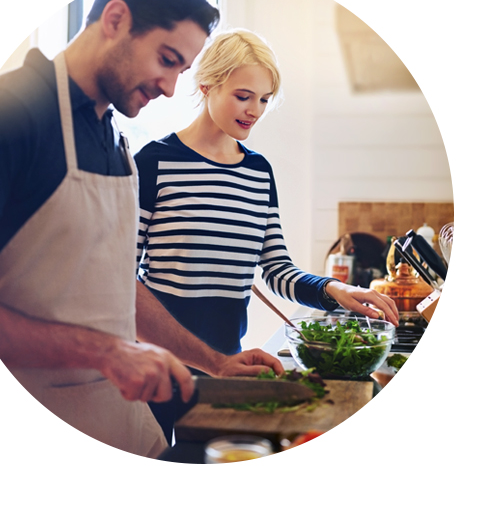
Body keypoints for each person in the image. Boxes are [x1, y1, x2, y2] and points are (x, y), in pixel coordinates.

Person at [0, 0, 284, 460]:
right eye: (167, 61)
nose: (172, 88)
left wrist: (216, 363)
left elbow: (115, 285)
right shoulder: (8, 113)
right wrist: (107, 352)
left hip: (111, 415)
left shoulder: (114, 140)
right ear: (115, 19)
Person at [134, 29, 399, 438]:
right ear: (206, 85)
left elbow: (276, 268)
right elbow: (120, 279)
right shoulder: (154, 163)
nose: (254, 110)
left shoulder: (258, 173)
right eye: (243, 96)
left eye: (264, 99)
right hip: (159, 369)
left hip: (228, 368)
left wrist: (334, 291)